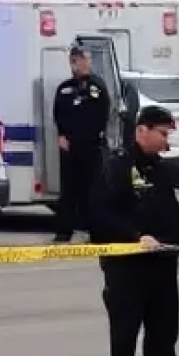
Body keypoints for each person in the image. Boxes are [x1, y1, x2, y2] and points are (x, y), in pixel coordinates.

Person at [89, 105, 179, 356]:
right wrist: (134, 236)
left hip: (162, 262)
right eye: (163, 134)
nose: (167, 142)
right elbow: (101, 213)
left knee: (165, 329)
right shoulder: (117, 166)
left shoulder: (166, 170)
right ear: (142, 130)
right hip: (127, 263)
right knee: (125, 329)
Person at [52, 43, 111, 243]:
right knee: (68, 191)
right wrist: (61, 135)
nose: (82, 64)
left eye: (85, 60)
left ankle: (95, 231)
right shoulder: (64, 88)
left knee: (93, 190)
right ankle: (64, 231)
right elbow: (58, 114)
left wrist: (94, 136)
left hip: (92, 145)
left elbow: (103, 114)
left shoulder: (97, 87)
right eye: (77, 60)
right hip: (70, 146)